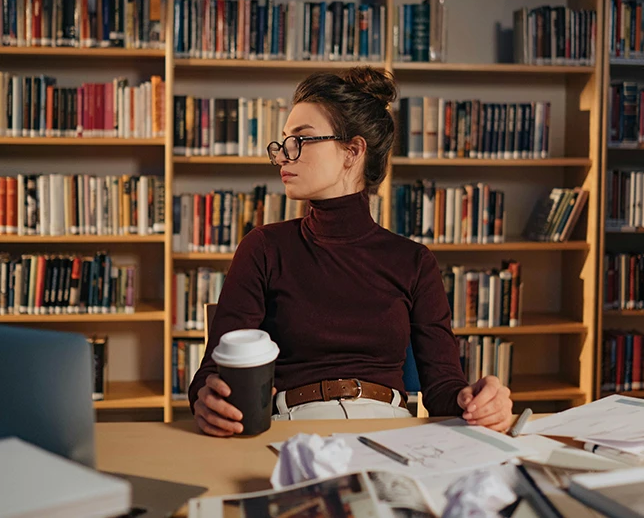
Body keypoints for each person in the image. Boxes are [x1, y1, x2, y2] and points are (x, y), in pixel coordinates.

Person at [189, 67, 513, 436]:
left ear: (352, 151)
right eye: (282, 143)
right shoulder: (263, 247)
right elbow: (212, 372)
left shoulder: (414, 261)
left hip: (391, 428)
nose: (282, 156)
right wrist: (206, 396)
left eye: (301, 139)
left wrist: (479, 402)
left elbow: (442, 388)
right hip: (292, 428)